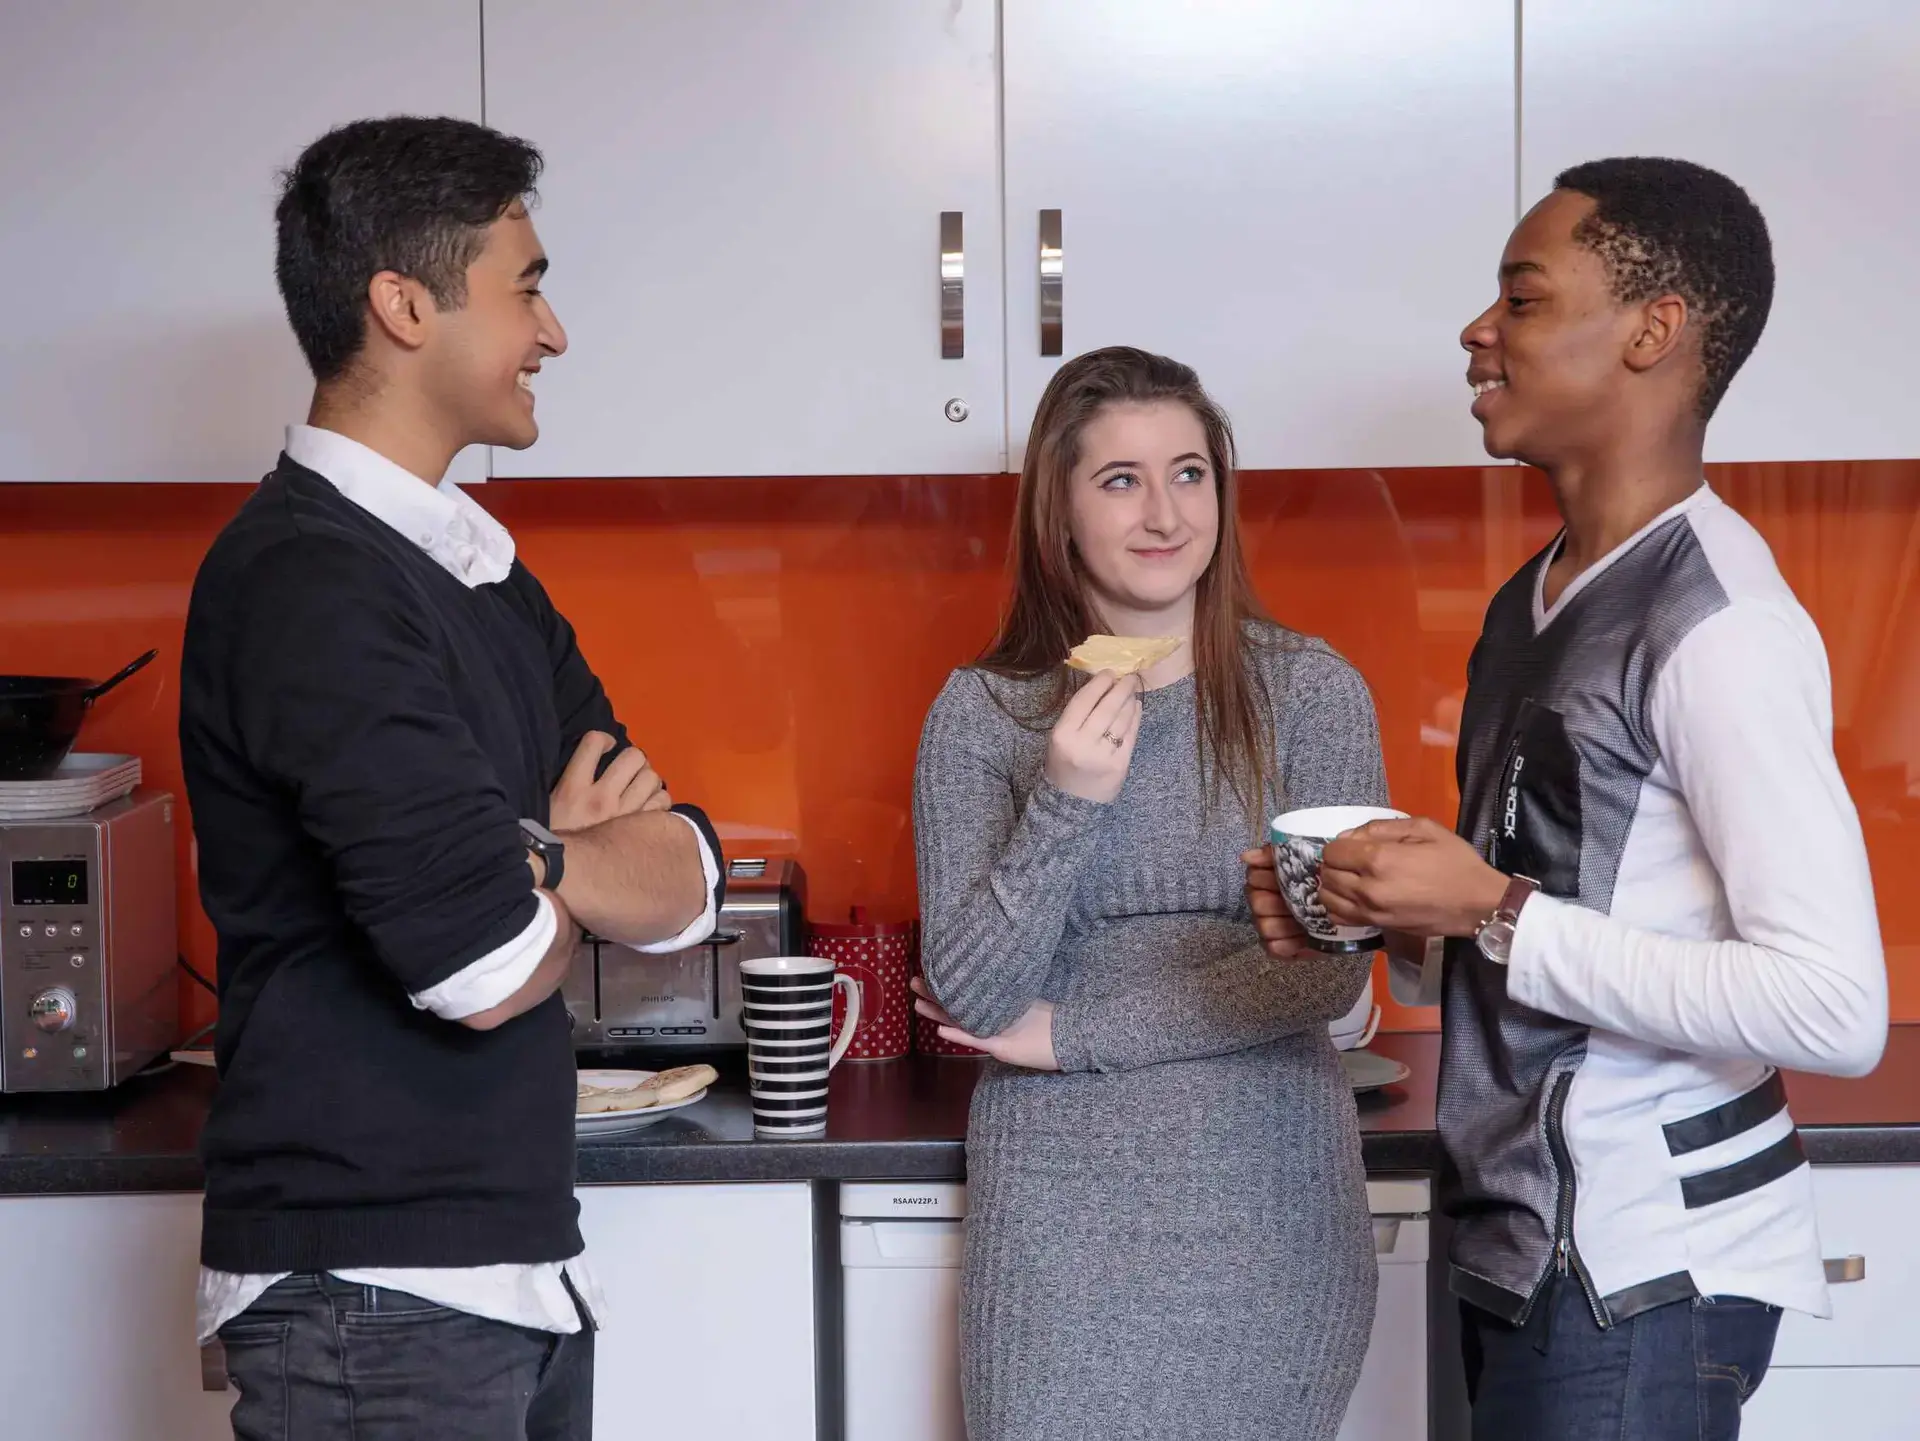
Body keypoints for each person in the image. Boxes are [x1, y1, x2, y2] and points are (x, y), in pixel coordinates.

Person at [1249, 157, 1888, 1439]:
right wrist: (1392, 917)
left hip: (1643, 1272)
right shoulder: (1530, 602)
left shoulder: (1722, 625)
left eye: (1524, 298)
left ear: (1654, 331)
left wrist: (1487, 908)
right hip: (1522, 1242)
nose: (1478, 331)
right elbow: (1558, 897)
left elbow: (1832, 1006)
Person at [179, 116, 723, 1440]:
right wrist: (558, 872)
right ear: (405, 305)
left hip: (498, 1275)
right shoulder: (310, 581)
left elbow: (688, 878)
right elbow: (481, 966)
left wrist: (532, 858)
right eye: (526, 287)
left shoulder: (475, 567)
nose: (554, 333)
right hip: (371, 1294)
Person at [910, 346, 1390, 1441]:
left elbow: (1323, 975)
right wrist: (1068, 799)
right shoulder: (982, 713)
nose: (1165, 513)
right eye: (1121, 479)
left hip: (1271, 1213)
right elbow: (976, 996)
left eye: (1189, 473)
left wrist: (1076, 1032)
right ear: (1060, 509)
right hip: (1057, 1229)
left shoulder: (1312, 694)